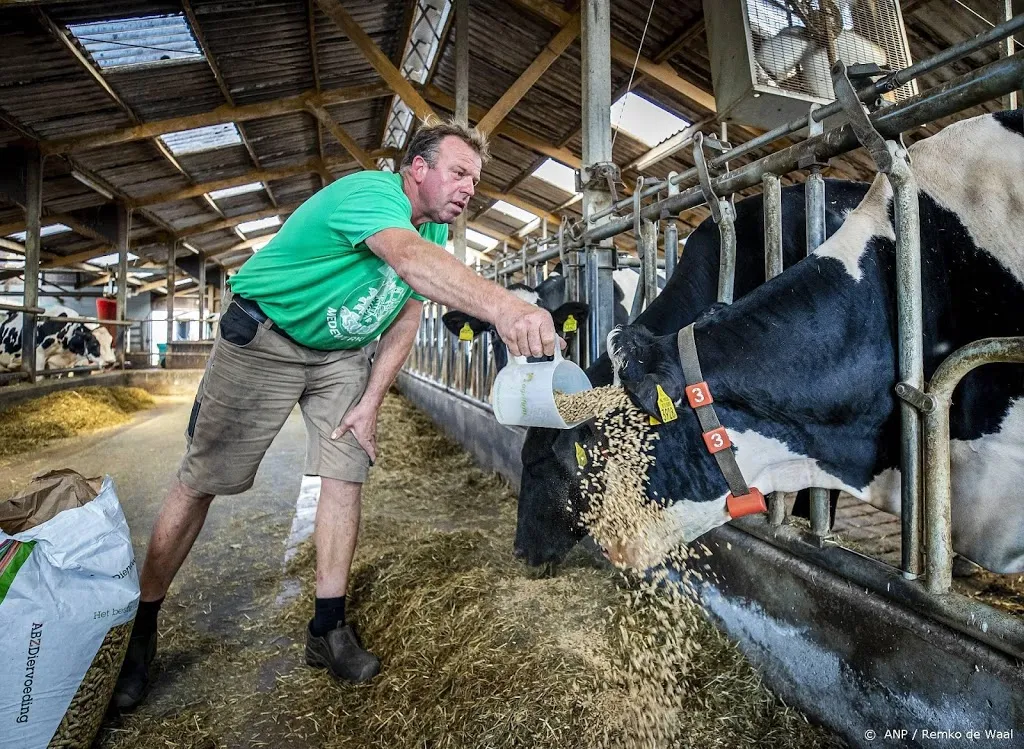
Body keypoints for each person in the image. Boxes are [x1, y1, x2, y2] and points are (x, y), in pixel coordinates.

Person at [112, 117, 560, 709]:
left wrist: (372, 400)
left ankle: (327, 627)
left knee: (347, 471)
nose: (468, 189)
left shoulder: (429, 235)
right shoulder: (373, 196)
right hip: (266, 336)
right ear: (417, 169)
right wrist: (506, 306)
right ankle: (139, 631)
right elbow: (407, 262)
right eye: (459, 173)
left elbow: (405, 316)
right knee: (202, 481)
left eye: (474, 182)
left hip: (340, 354)